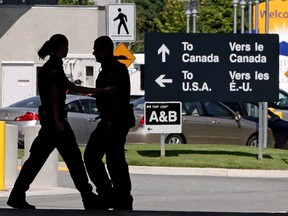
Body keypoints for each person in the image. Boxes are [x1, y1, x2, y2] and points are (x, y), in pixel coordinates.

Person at [7, 34, 110, 210]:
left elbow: (72, 87)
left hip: (51, 123)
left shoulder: (52, 67)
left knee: (37, 160)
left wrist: (98, 90)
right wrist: (58, 120)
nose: (67, 49)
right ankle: (87, 196)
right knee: (73, 159)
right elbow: (54, 94)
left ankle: (17, 195)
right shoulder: (53, 68)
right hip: (56, 124)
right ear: (61, 47)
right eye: (66, 46)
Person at [84, 36, 134, 210]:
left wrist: (109, 122)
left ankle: (115, 195)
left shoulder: (113, 71)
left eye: (96, 49)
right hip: (113, 120)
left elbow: (115, 97)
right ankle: (116, 195)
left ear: (105, 50)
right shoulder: (111, 68)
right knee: (111, 158)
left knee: (104, 158)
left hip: (114, 121)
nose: (94, 53)